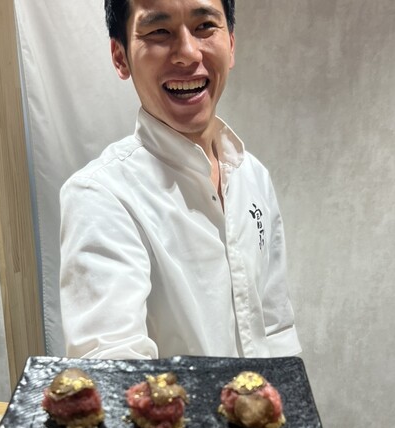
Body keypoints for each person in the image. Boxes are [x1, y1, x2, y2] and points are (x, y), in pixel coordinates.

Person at [60, 0, 301, 360]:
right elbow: (113, 364)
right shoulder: (101, 195)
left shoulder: (253, 176)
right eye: (159, 31)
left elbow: (276, 327)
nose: (188, 53)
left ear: (231, 44)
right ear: (120, 57)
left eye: (205, 26)